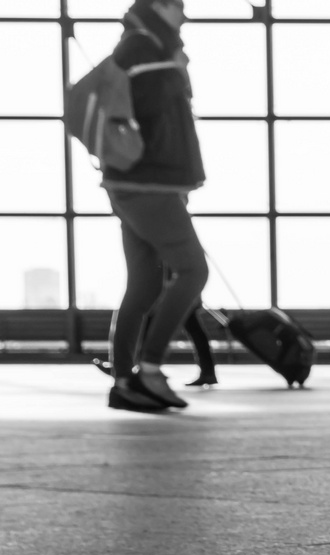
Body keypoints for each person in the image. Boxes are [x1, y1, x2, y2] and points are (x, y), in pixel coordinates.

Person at [103, 0, 207, 412]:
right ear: (161, 6)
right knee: (193, 270)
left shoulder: (140, 46)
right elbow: (159, 118)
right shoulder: (146, 49)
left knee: (144, 285)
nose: (184, 15)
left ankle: (124, 382)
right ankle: (149, 369)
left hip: (136, 183)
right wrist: (175, 68)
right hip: (149, 184)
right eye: (180, 7)